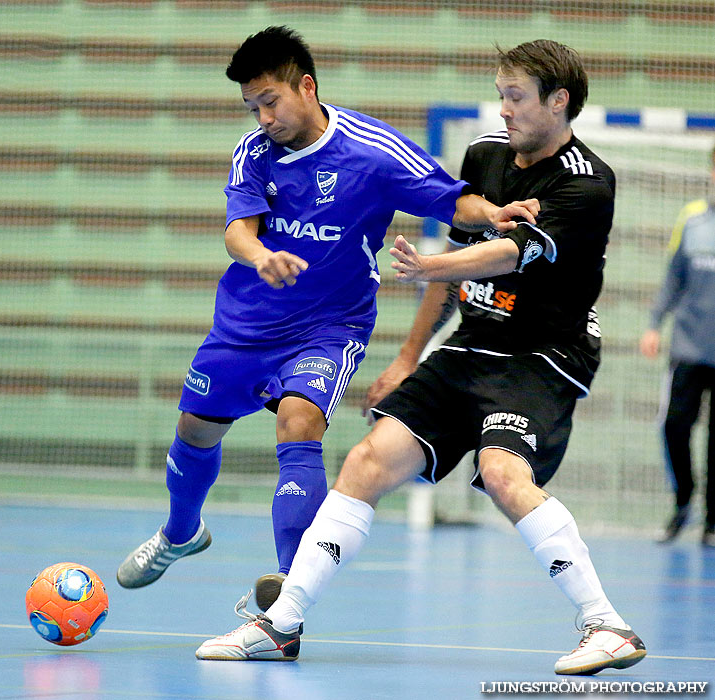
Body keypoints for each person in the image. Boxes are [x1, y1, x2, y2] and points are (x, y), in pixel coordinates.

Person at [196, 39, 648, 677]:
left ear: (559, 102)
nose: (505, 109)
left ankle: (607, 625)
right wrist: (410, 355)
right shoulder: (487, 155)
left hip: (541, 355)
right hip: (470, 345)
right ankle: (282, 624)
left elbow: (506, 254)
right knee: (366, 461)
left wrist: (430, 263)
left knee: (502, 475)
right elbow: (462, 252)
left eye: (516, 97)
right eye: (501, 95)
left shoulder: (586, 183)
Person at [116, 26, 537, 611]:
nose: (263, 118)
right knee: (195, 432)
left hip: (329, 327)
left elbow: (448, 198)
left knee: (299, 420)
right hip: (245, 326)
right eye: (252, 107)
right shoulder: (255, 152)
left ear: (306, 87)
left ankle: (289, 592)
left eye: (270, 101)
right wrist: (262, 255)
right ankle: (180, 533)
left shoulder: (374, 150)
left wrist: (494, 212)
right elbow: (238, 229)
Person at [639, 143, 715, 548]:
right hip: (688, 347)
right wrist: (654, 324)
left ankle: (712, 523)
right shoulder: (692, 220)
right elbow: (674, 277)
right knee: (674, 427)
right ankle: (683, 499)